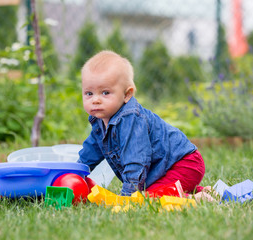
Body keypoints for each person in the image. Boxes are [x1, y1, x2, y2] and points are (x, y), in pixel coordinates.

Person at [77, 50, 209, 199]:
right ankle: (200, 191)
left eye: (105, 93)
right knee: (153, 189)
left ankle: (196, 198)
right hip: (166, 170)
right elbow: (90, 153)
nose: (95, 100)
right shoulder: (100, 121)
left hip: (183, 164)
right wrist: (74, 174)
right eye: (89, 93)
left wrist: (128, 196)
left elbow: (136, 161)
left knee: (146, 198)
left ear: (127, 94)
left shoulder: (130, 120)